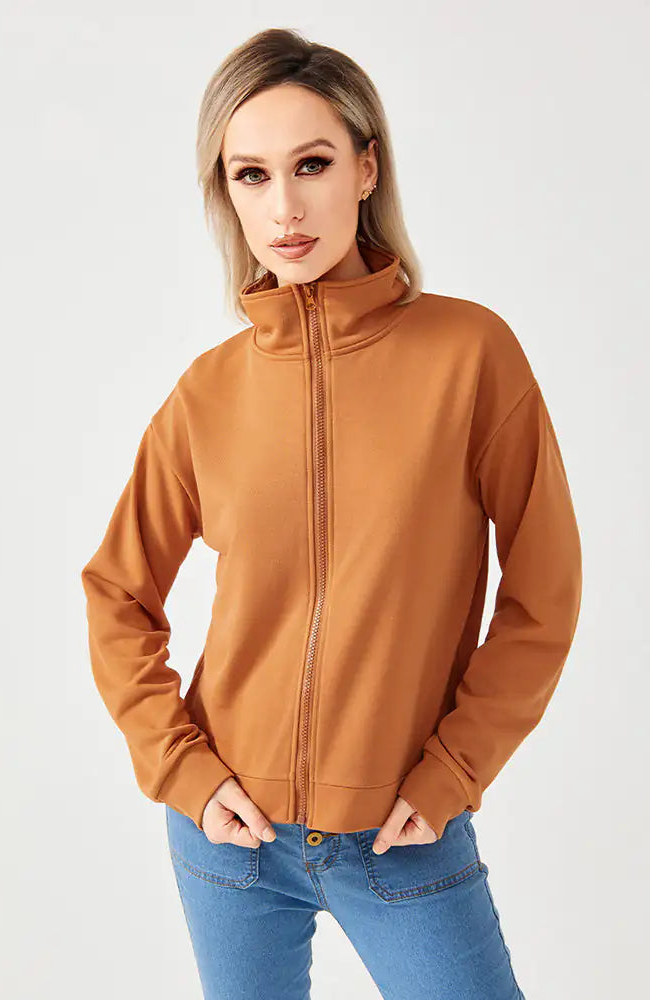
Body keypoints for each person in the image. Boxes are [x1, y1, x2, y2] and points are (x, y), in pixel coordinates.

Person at [80, 27, 582, 1000]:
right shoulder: (208, 393)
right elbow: (115, 591)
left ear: (366, 167)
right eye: (251, 175)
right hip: (228, 836)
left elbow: (543, 595)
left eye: (310, 164)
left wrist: (452, 771)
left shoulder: (471, 356)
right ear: (227, 194)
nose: (285, 207)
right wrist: (183, 771)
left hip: (402, 833)